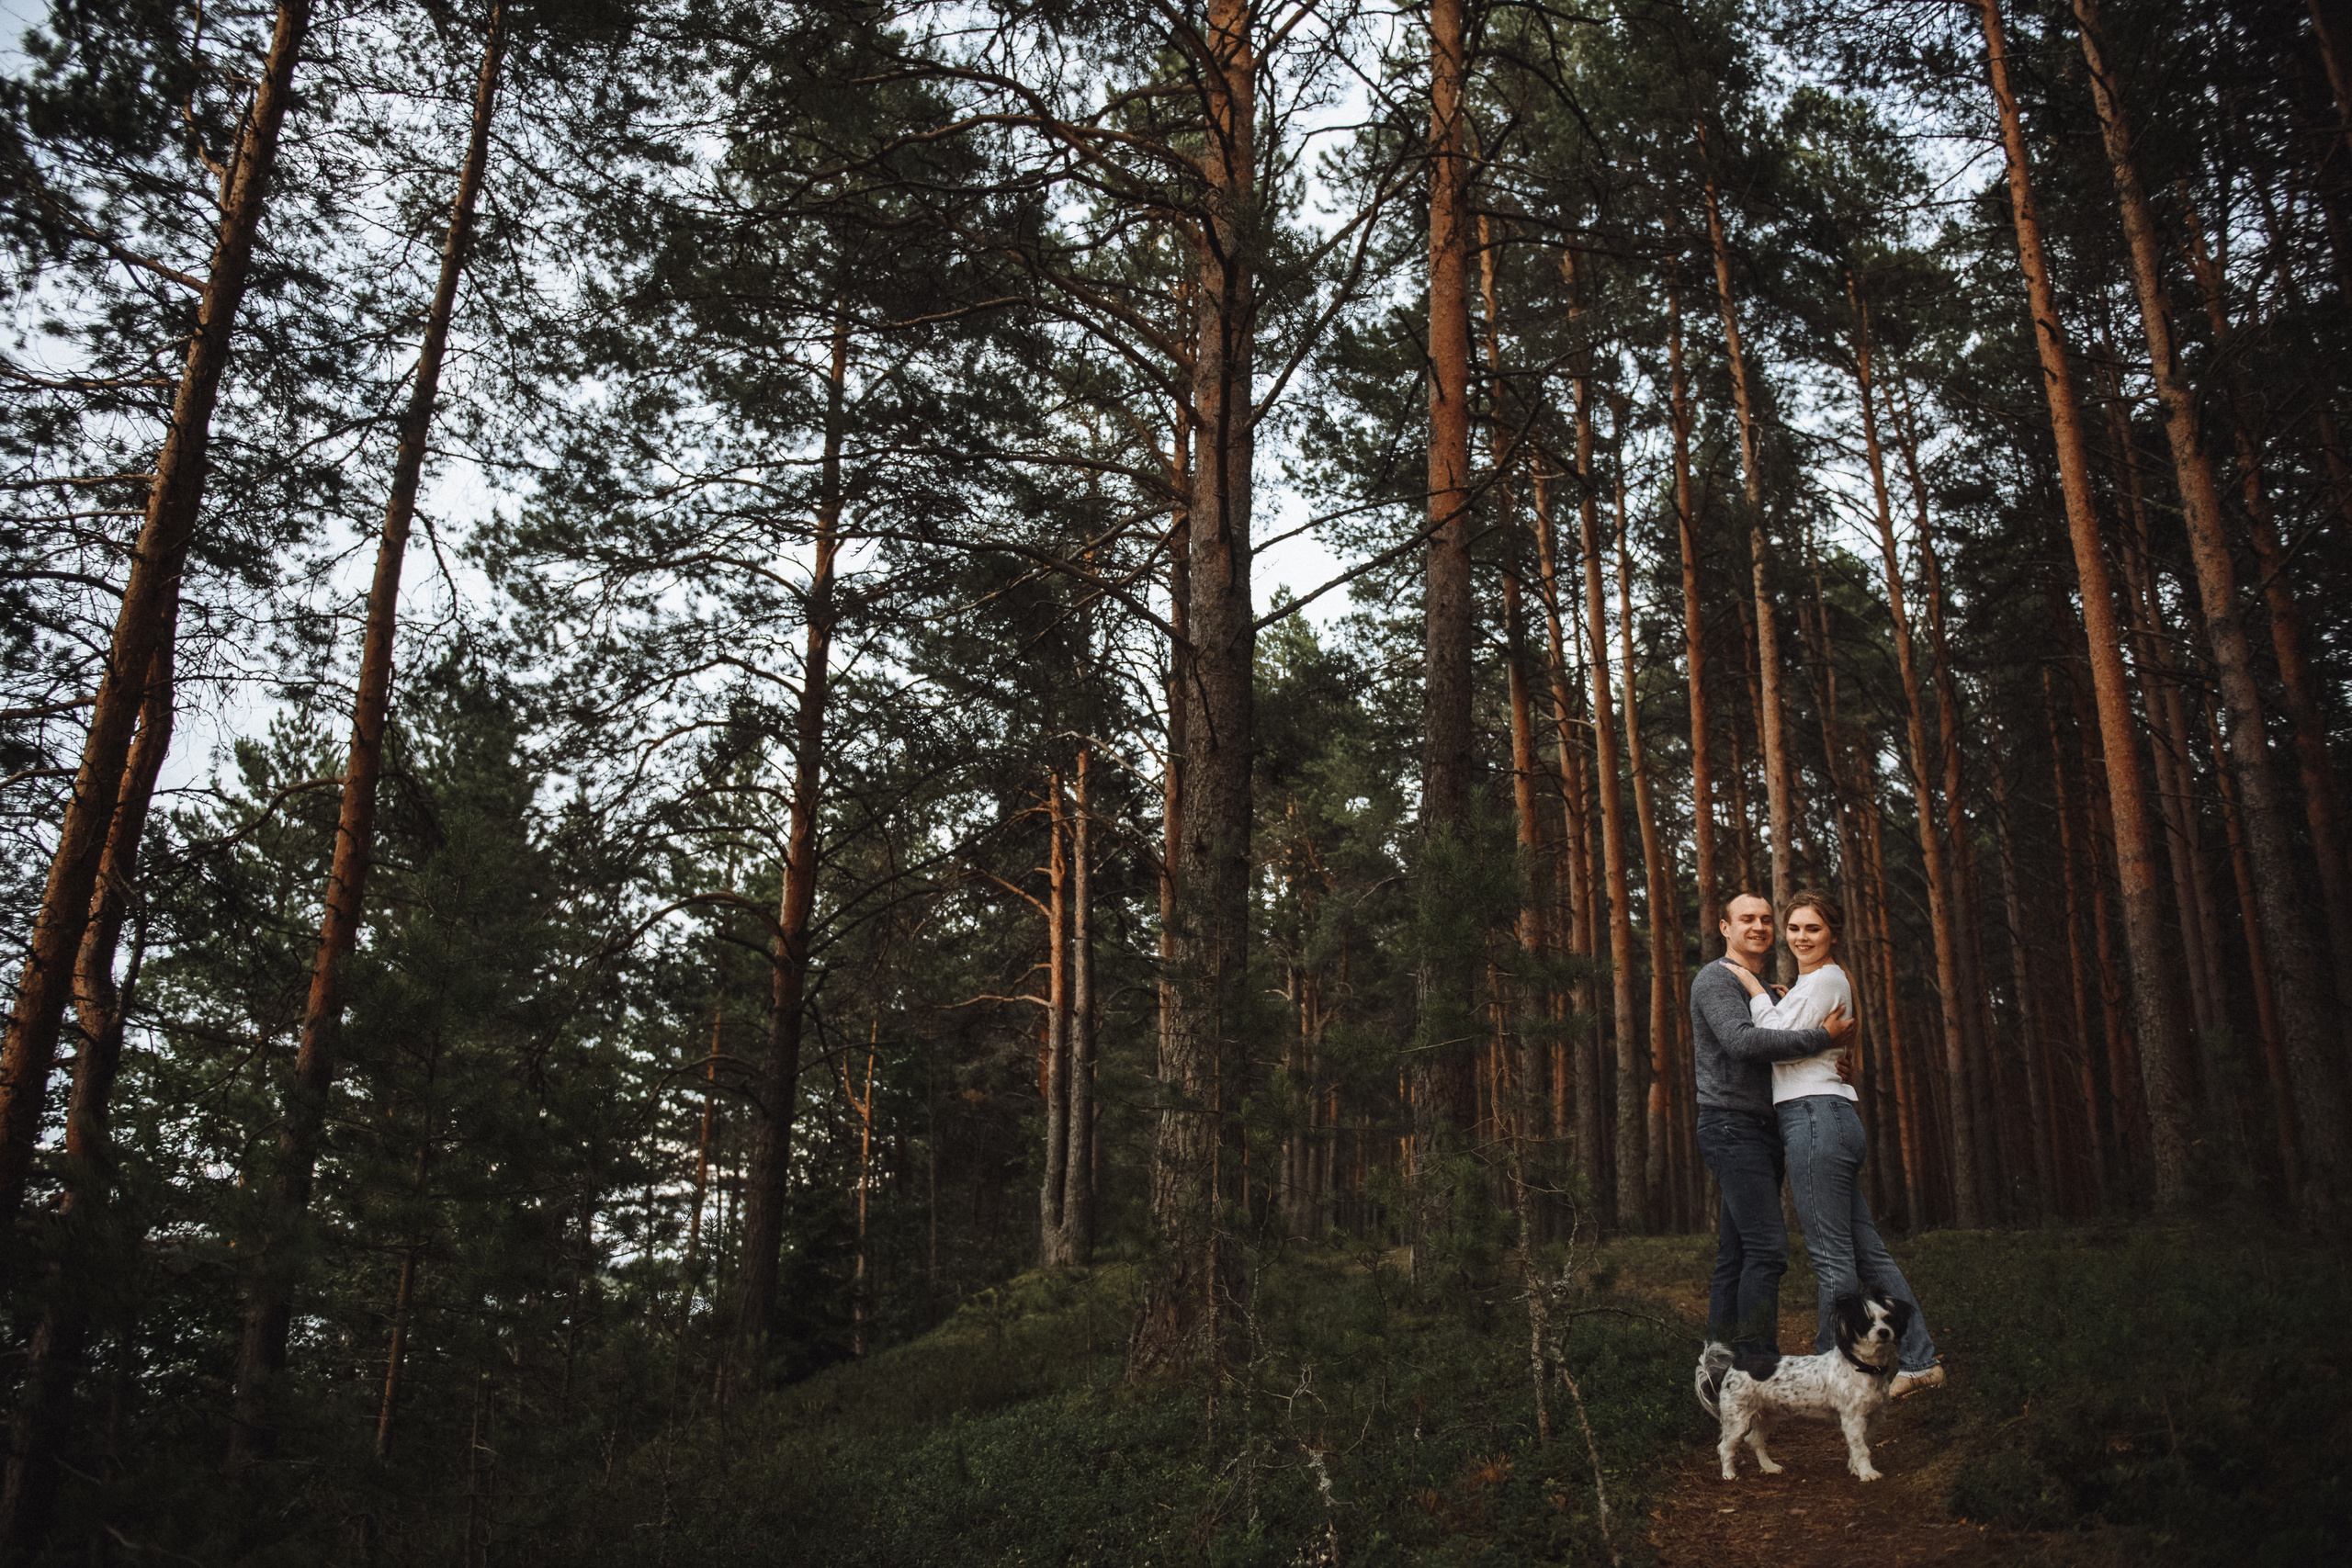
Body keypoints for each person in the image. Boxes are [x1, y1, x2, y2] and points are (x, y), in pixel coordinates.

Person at [1720, 889, 1942, 1396]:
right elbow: (1789, 1029)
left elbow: (1772, 1042)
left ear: (1833, 934)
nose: (1800, 937)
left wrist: (1754, 988)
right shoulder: (1813, 984)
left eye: (1813, 929)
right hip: (1827, 1119)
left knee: (1831, 1258)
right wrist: (1780, 999)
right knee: (1869, 1255)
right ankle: (1920, 1361)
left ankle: (1830, 1370)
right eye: (1794, 928)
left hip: (1814, 1119)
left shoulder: (1825, 979)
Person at [1690, 891, 1853, 1368]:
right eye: (1747, 919)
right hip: (1731, 1125)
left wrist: (1831, 1061)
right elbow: (1742, 1042)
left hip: (1764, 1127)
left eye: (1765, 919)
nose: (1759, 927)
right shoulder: (1717, 978)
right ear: (1725, 928)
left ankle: (1719, 1363)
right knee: (1768, 1249)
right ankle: (1758, 1367)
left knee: (1737, 1250)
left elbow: (1783, 1047)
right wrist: (1823, 1037)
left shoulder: (1767, 989)